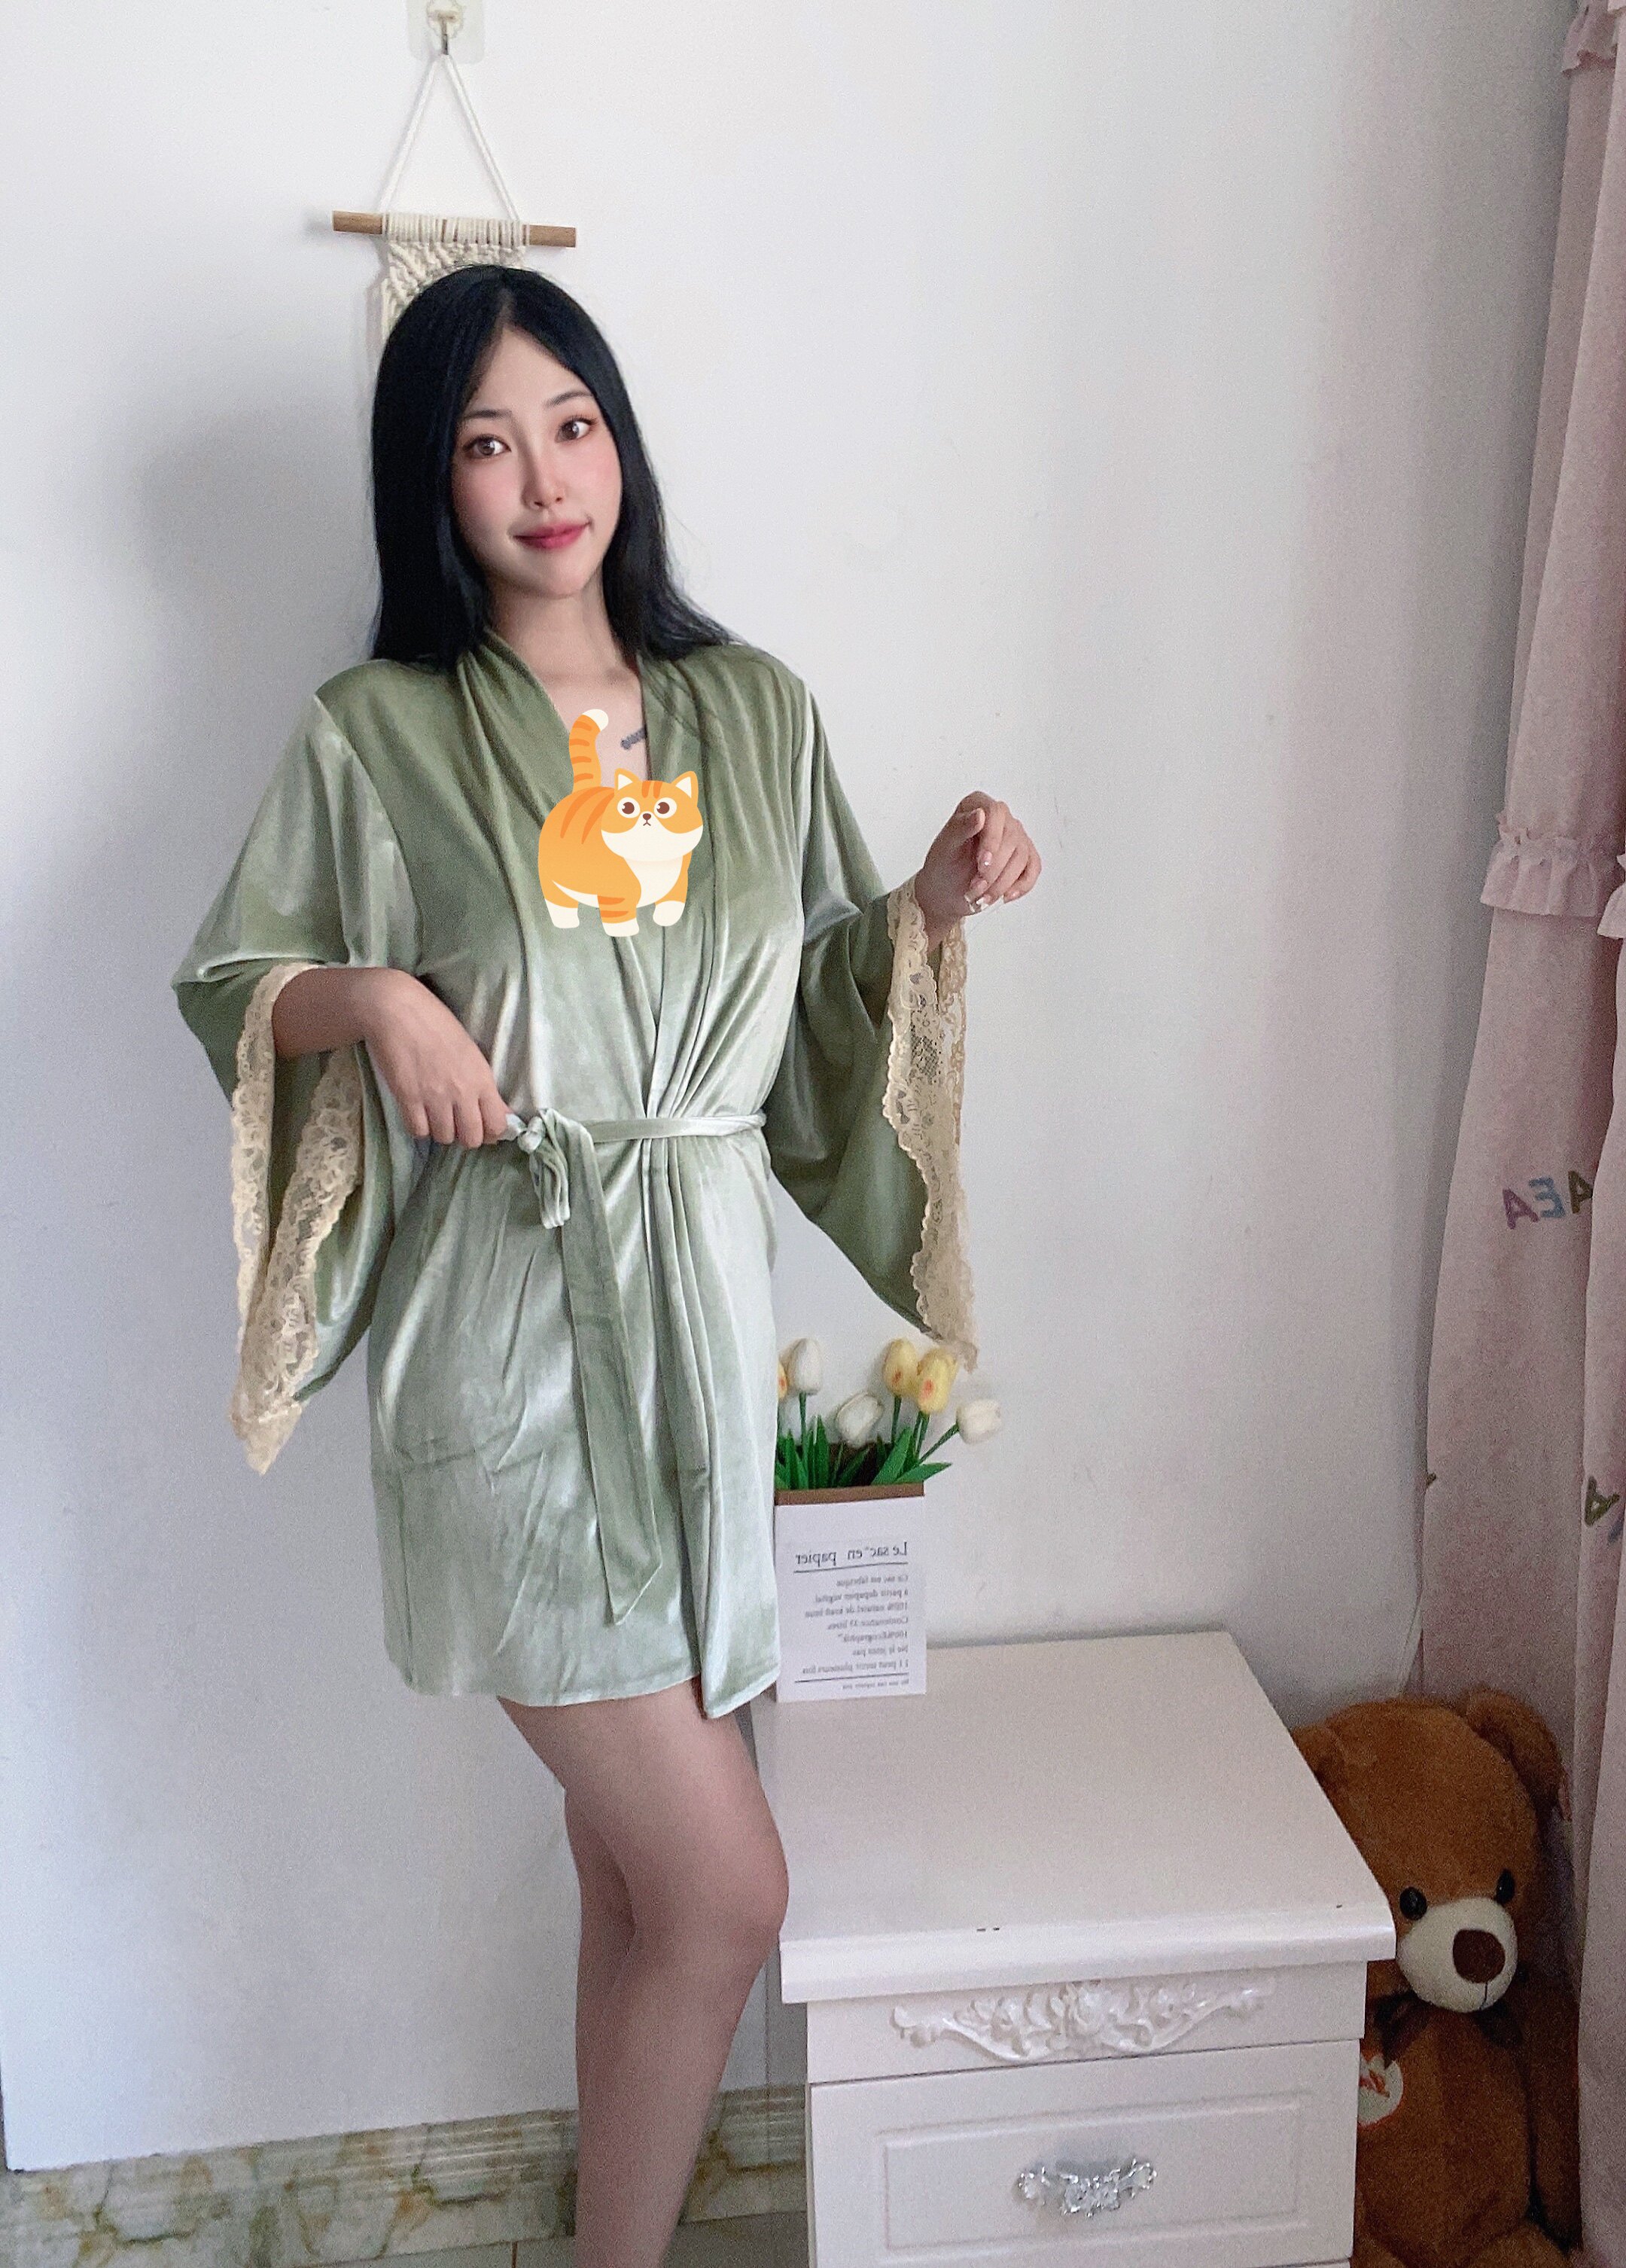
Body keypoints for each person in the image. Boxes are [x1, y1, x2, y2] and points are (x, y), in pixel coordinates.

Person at [170, 264, 1040, 2265]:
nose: (545, 478)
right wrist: (376, 997)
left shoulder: (755, 711)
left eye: (572, 424)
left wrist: (928, 894)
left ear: (621, 441)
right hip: (506, 1342)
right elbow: (233, 978)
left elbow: (813, 1012)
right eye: (488, 442)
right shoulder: (378, 734)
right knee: (727, 1892)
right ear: (433, 484)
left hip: (697, 1332)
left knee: (633, 1874)